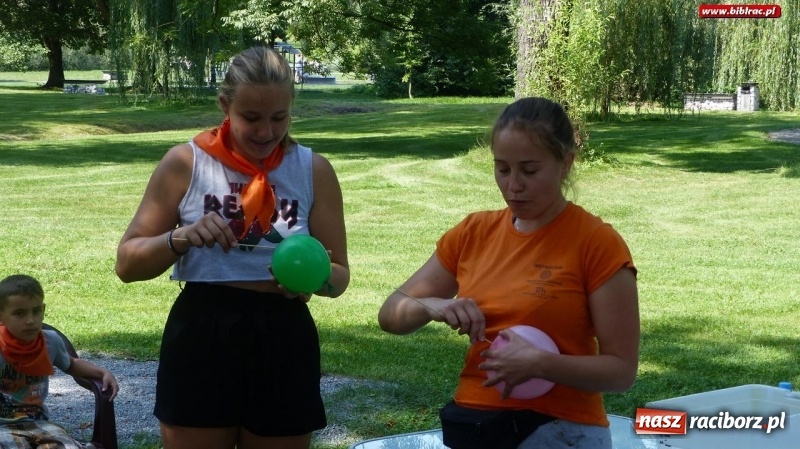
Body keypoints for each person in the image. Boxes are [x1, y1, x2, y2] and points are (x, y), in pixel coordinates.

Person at [114, 46, 349, 449]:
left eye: (279, 117)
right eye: (251, 118)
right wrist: (180, 237)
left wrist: (317, 277)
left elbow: (339, 277)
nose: (265, 132)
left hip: (283, 333)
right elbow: (127, 264)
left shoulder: (313, 170)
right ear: (225, 105)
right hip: (203, 329)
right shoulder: (186, 163)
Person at [378, 97, 639, 449]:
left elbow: (621, 371)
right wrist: (434, 306)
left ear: (566, 164)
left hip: (561, 431)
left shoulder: (596, 242)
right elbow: (391, 315)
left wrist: (541, 364)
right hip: (475, 428)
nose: (513, 185)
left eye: (529, 171)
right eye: (502, 169)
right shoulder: (473, 233)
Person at [0, 274, 119, 449]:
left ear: (44, 310)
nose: (30, 320)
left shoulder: (50, 342)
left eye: (36, 311)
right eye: (19, 313)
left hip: (39, 423)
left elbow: (72, 364)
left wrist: (102, 372)